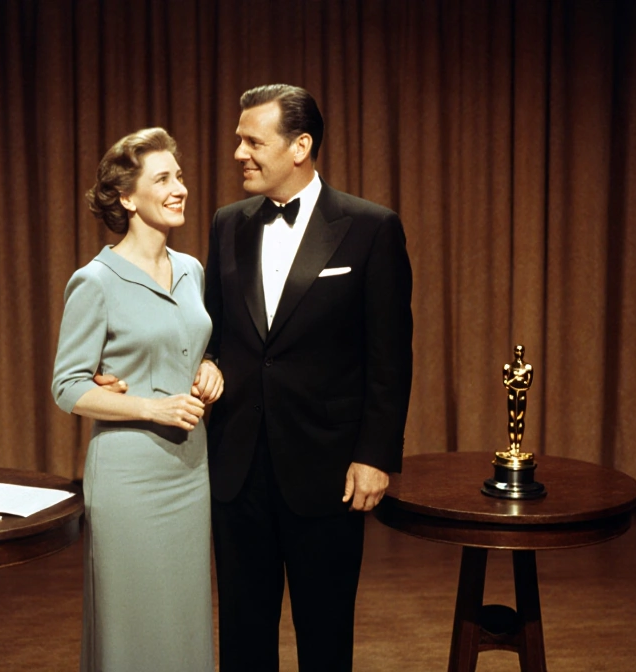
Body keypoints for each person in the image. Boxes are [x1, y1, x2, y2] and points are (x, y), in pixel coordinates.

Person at [203, 84, 414, 670]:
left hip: (328, 470)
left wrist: (374, 455)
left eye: (253, 141)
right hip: (238, 467)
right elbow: (213, 332)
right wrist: (203, 362)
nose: (239, 153)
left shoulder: (371, 227)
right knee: (243, 636)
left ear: (300, 146)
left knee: (325, 637)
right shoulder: (227, 224)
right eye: (239, 140)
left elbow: (390, 356)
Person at [51, 127, 223, 672]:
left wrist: (210, 366)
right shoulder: (95, 281)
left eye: (180, 176)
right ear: (126, 197)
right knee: (132, 621)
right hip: (130, 479)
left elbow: (189, 343)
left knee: (184, 618)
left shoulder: (192, 269)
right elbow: (68, 386)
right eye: (164, 179)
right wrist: (151, 406)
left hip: (190, 470)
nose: (180, 188)